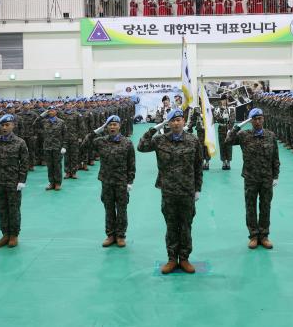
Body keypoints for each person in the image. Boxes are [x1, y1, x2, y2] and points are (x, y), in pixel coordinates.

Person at [137, 108, 203, 274]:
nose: (176, 123)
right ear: (168, 123)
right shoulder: (160, 140)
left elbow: (198, 167)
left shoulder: (193, 140)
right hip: (168, 192)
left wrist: (198, 189)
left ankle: (185, 258)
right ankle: (172, 259)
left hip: (187, 191)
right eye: (172, 120)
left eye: (179, 120)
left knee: (186, 226)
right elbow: (141, 147)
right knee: (171, 226)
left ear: (183, 122)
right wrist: (153, 129)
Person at [226, 108, 280, 249]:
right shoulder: (244, 135)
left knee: (265, 207)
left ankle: (264, 235)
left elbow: (275, 157)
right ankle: (253, 236)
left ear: (263, 119)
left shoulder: (270, 135)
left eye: (260, 118)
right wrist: (237, 126)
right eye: (254, 119)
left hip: (266, 178)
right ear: (250, 121)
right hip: (250, 178)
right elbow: (228, 141)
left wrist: (276, 176)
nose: (257, 121)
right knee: (250, 207)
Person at [84, 115, 136, 248]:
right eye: (110, 125)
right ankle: (110, 235)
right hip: (106, 181)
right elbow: (84, 146)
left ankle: (120, 236)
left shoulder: (127, 143)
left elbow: (131, 164)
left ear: (119, 126)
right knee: (109, 209)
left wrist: (130, 181)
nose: (112, 127)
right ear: (106, 127)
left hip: (121, 181)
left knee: (122, 210)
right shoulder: (101, 141)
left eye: (115, 124)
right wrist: (96, 131)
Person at [0, 114, 29, 249]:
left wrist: (22, 180)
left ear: (13, 125)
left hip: (13, 183)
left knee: (13, 210)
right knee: (1, 209)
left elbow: (25, 163)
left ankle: (14, 235)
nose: (4, 128)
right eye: (2, 125)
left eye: (7, 125)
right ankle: (5, 234)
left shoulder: (20, 142)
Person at [41, 106, 67, 190]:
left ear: (56, 112)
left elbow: (65, 135)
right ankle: (51, 183)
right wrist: (42, 115)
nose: (50, 112)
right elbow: (34, 124)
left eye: (52, 111)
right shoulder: (44, 121)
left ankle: (58, 183)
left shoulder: (61, 122)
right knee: (49, 166)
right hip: (47, 147)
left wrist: (64, 146)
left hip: (57, 147)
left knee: (57, 166)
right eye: (49, 111)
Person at [213, 95, 236, 170]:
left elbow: (232, 120)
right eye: (223, 100)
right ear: (221, 101)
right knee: (222, 145)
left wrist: (229, 129)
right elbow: (216, 118)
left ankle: (228, 162)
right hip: (221, 128)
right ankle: (223, 162)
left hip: (229, 129)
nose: (225, 101)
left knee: (229, 145)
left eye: (226, 100)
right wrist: (222, 118)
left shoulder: (231, 109)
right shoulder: (217, 109)